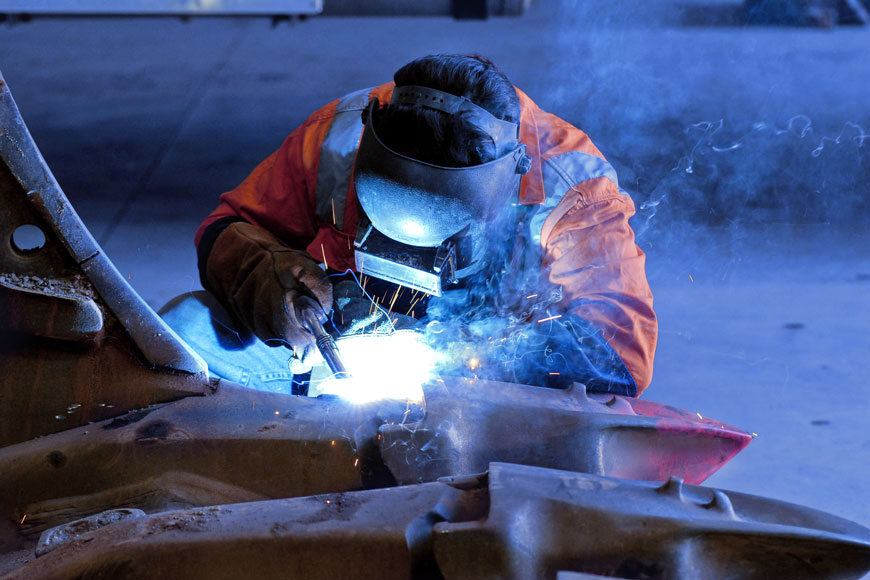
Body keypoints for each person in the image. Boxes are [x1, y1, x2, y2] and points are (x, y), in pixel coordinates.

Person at [161, 54, 656, 397]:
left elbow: (620, 350)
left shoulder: (573, 187)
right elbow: (229, 226)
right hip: (340, 354)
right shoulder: (340, 135)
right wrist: (267, 278)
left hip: (487, 390)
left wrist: (480, 359)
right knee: (185, 331)